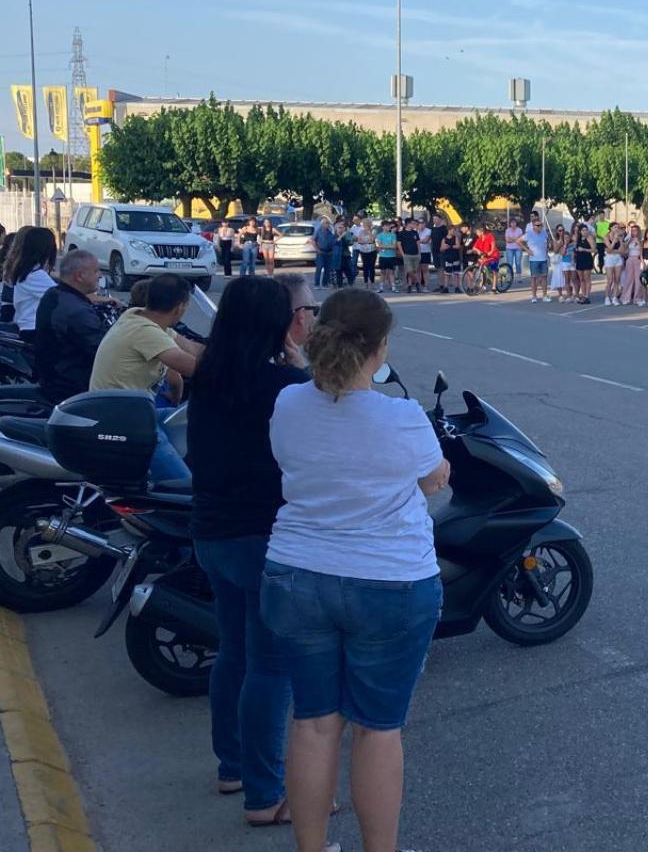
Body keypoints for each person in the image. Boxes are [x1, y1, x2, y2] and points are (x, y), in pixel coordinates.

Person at [261, 288, 448, 852]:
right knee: (378, 727)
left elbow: (291, 462)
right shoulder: (402, 416)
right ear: (380, 347)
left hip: (297, 574)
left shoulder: (289, 404)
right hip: (390, 581)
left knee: (313, 721)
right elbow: (435, 476)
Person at [186, 276, 309, 827]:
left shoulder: (209, 375)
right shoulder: (283, 384)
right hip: (264, 537)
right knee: (270, 667)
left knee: (234, 652)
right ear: (274, 324)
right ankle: (265, 794)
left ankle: (232, 766)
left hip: (212, 530)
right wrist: (296, 358)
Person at [90, 274, 204, 401]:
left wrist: (224, 351)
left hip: (117, 407)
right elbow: (194, 368)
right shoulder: (144, 331)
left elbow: (192, 348)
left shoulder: (137, 316)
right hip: (119, 413)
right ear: (179, 307)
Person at [34, 250, 110, 405]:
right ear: (80, 275)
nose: (100, 275)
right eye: (96, 271)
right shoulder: (76, 311)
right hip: (72, 389)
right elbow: (103, 350)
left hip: (54, 379)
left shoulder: (55, 293)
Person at [5, 227, 59, 344]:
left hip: (29, 328)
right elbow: (61, 297)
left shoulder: (28, 271)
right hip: (35, 329)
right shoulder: (35, 275)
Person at [523, 216, 551, 302]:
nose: (540, 227)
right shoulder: (529, 234)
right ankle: (534, 296)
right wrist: (527, 250)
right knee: (534, 278)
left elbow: (548, 240)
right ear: (534, 226)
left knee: (544, 277)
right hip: (534, 259)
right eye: (537, 225)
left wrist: (547, 248)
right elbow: (518, 241)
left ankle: (544, 296)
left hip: (543, 258)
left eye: (541, 225)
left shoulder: (544, 233)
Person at [572, 223, 596, 304]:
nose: (585, 232)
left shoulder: (589, 238)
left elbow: (594, 250)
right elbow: (575, 249)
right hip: (579, 259)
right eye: (583, 230)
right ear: (580, 231)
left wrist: (584, 249)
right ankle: (583, 294)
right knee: (581, 279)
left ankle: (587, 296)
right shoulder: (577, 238)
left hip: (587, 259)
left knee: (587, 278)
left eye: (586, 230)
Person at [376, 220, 399, 293]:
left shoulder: (393, 235)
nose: (386, 227)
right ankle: (381, 287)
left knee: (391, 272)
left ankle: (393, 287)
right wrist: (388, 246)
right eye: (385, 226)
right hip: (383, 256)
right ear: (382, 227)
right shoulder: (379, 235)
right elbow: (379, 245)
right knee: (382, 272)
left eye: (388, 226)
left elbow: (394, 246)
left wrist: (384, 247)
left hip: (391, 256)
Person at [354, 220, 378, 289]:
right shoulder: (361, 231)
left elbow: (372, 239)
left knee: (372, 267)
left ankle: (372, 283)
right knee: (365, 267)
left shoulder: (373, 231)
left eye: (364, 224)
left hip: (372, 251)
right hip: (363, 251)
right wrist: (366, 241)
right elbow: (359, 241)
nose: (363, 226)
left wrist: (368, 233)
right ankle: (366, 282)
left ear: (368, 224)